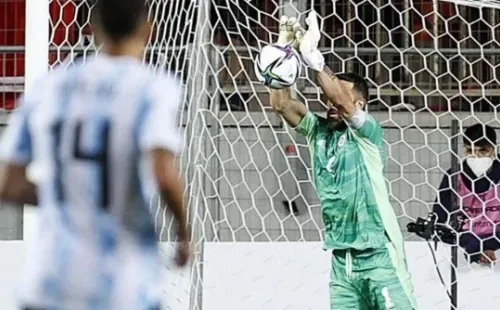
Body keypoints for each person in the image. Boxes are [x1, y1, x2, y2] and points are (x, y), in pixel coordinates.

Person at [0, 0, 190, 309]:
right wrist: (184, 233)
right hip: (124, 286)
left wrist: (71, 193)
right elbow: (164, 173)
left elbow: (8, 185)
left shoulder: (48, 86)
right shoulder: (154, 87)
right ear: (148, 30)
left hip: (49, 284)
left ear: (92, 30)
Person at [269, 11, 417, 309]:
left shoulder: (368, 134)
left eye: (339, 97)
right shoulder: (317, 132)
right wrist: (281, 55)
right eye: (327, 99)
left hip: (380, 254)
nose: (331, 104)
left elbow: (341, 102)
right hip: (342, 262)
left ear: (360, 104)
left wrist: (315, 60)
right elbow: (280, 104)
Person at [434, 123, 500, 265]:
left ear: (494, 149)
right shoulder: (454, 175)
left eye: (482, 151)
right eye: (470, 151)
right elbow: (439, 217)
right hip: (465, 243)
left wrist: (488, 244)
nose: (476, 157)